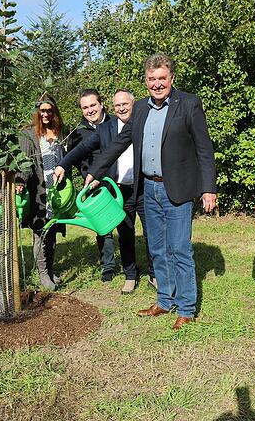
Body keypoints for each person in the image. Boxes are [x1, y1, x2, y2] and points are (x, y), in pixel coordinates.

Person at [86, 53, 217, 330]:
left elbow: (204, 149)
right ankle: (164, 300)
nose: (157, 84)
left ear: (171, 78)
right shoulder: (142, 108)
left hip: (177, 190)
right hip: (148, 189)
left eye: (161, 78)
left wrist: (208, 188)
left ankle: (186, 307)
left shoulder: (189, 104)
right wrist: (95, 171)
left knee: (180, 249)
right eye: (151, 79)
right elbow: (121, 141)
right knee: (157, 248)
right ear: (145, 82)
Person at [54, 89, 155, 294]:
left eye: (125, 103)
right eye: (118, 105)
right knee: (125, 234)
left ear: (133, 104)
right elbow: (81, 149)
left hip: (144, 188)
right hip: (119, 192)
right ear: (113, 107)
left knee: (151, 233)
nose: (122, 108)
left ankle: (155, 274)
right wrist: (63, 164)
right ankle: (130, 275)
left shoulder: (145, 124)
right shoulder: (106, 129)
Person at [16, 94, 69, 291]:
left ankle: (50, 268)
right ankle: (43, 273)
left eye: (49, 110)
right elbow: (24, 163)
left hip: (57, 189)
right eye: (42, 110)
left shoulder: (60, 132)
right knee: (40, 231)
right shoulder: (29, 134)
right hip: (40, 189)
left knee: (53, 229)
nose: (45, 114)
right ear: (37, 112)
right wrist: (20, 181)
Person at [70, 89, 117, 282]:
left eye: (92, 105)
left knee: (125, 222)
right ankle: (109, 265)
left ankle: (133, 263)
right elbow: (75, 157)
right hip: (94, 185)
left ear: (101, 104)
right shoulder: (78, 132)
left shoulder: (116, 123)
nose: (90, 110)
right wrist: (87, 172)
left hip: (118, 180)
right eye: (85, 107)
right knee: (103, 227)